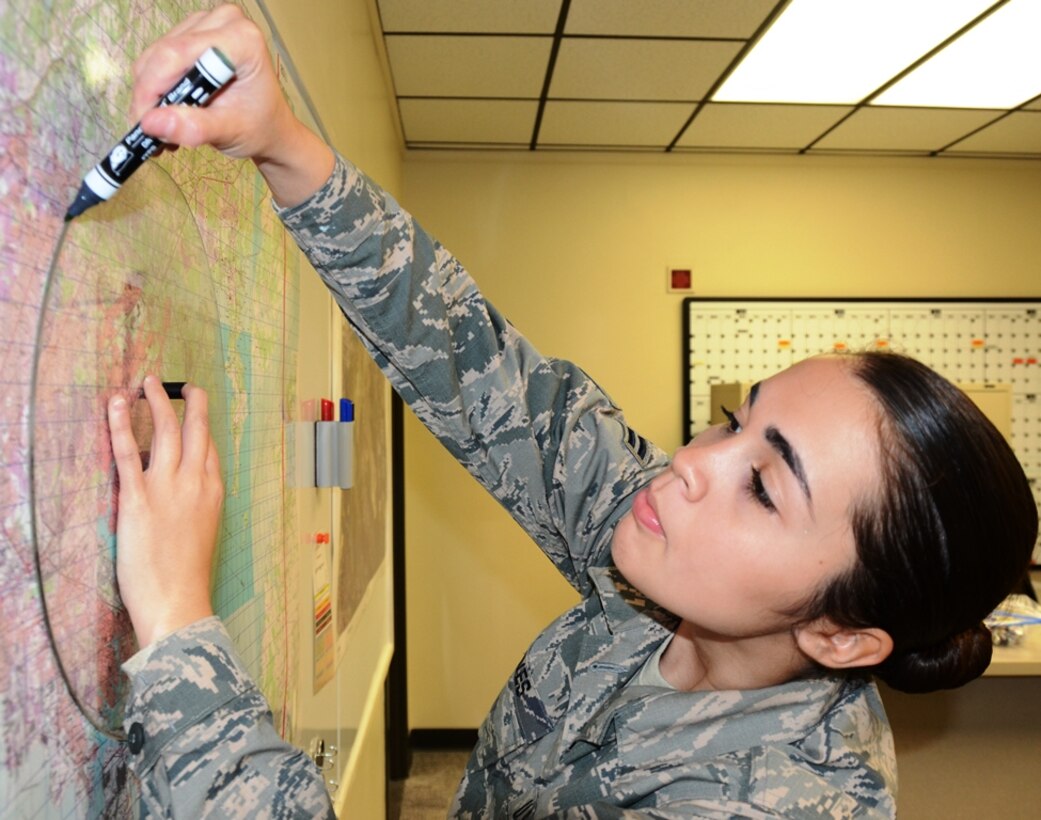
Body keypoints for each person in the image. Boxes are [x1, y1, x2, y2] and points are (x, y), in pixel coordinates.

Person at [110, 6, 1038, 818]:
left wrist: (179, 631)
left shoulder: (776, 803)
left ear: (840, 635)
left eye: (762, 487)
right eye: (735, 422)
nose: (689, 462)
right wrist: (280, 140)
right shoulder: (672, 568)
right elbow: (472, 362)